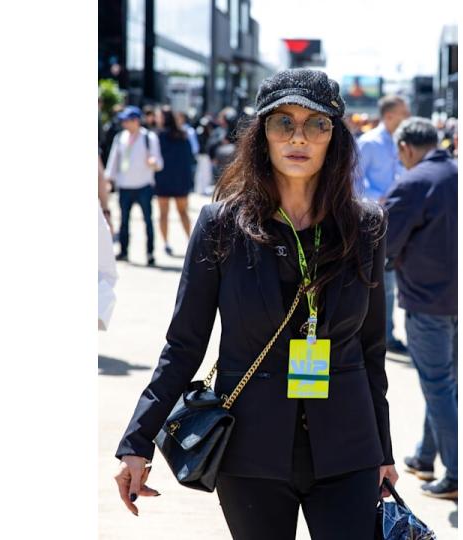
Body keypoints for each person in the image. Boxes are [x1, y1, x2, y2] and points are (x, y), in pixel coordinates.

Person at [114, 68, 398, 540]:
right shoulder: (222, 225)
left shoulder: (365, 226)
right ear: (261, 133)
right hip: (250, 447)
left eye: (316, 124)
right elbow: (184, 344)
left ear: (336, 136)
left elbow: (372, 350)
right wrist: (137, 441)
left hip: (348, 445)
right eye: (283, 122)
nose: (298, 137)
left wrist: (383, 449)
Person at [382, 117, 458, 500]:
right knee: (445, 383)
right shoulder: (458, 173)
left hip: (429, 301)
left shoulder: (413, 184)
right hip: (457, 300)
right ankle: (425, 456)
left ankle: (458, 472)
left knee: (438, 385)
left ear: (405, 148)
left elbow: (383, 246)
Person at [357, 95, 410, 354]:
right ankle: (385, 337)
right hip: (376, 220)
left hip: (400, 219)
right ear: (390, 116)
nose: (407, 117)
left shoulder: (399, 143)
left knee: (394, 281)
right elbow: (353, 181)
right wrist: (378, 197)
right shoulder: (369, 143)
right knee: (384, 282)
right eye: (403, 113)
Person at [104, 106, 163, 266]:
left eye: (128, 121)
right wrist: (109, 180)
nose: (125, 124)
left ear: (136, 121)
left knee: (148, 221)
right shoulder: (120, 137)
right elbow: (113, 160)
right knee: (124, 221)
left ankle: (150, 253)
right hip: (124, 186)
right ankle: (124, 251)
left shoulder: (149, 137)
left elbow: (159, 162)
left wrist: (153, 163)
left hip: (144, 185)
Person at [154, 106, 195, 256]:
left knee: (163, 213)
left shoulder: (157, 136)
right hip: (180, 179)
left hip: (163, 179)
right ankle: (191, 242)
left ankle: (166, 244)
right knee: (183, 212)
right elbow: (189, 158)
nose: (156, 119)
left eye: (158, 116)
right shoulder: (183, 135)